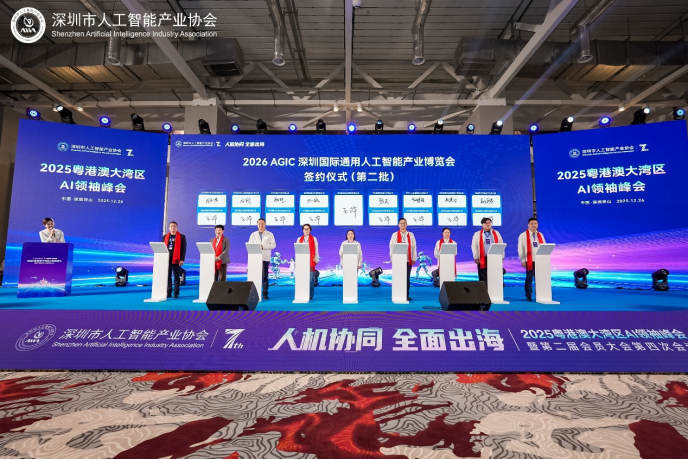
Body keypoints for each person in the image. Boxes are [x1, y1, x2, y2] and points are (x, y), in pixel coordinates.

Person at [518, 217, 547, 301]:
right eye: (532, 224)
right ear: (528, 225)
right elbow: (520, 249)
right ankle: (528, 295)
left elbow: (544, 247)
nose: (534, 225)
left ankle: (540, 294)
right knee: (529, 278)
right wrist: (523, 260)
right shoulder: (523, 235)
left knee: (540, 278)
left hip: (539, 260)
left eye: (535, 224)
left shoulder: (540, 235)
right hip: (529, 261)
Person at [389, 218, 417, 301]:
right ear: (398, 225)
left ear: (406, 224)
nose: (403, 225)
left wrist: (414, 258)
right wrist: (392, 258)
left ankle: (406, 294)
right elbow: (391, 247)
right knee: (398, 277)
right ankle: (398, 293)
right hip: (398, 260)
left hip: (408, 260)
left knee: (406, 278)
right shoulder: (394, 235)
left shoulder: (411, 235)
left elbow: (414, 247)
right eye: (401, 223)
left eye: (404, 223)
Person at [248, 218, 276, 299]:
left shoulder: (270, 234)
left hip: (265, 258)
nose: (261, 225)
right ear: (257, 225)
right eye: (259, 224)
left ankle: (265, 293)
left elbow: (273, 245)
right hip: (255, 258)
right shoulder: (253, 234)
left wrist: (263, 246)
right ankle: (254, 293)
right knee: (255, 276)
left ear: (265, 224)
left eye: (262, 224)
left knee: (264, 276)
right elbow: (250, 245)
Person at [471, 217, 503, 287]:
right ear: (482, 224)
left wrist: (502, 256)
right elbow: (474, 246)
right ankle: (483, 291)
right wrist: (476, 257)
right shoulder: (477, 234)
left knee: (494, 274)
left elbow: (501, 244)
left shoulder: (496, 233)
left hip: (494, 257)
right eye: (486, 223)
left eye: (489, 223)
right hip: (482, 258)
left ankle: (494, 290)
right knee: (483, 276)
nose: (488, 224)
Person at [163, 221, 186, 298]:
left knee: (176, 277)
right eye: (171, 226)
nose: (173, 228)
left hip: (176, 260)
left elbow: (184, 249)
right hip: (167, 260)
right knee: (168, 277)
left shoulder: (182, 237)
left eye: (174, 226)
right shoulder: (165, 237)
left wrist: (182, 259)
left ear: (177, 227)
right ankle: (168, 292)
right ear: (169, 228)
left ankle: (176, 293)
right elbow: (162, 248)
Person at [297, 223, 319, 300]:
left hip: (311, 260)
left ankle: (310, 295)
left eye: (308, 229)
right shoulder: (299, 239)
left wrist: (316, 259)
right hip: (302, 261)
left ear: (310, 230)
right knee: (303, 278)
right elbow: (297, 250)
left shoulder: (314, 239)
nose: (306, 230)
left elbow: (316, 250)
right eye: (305, 229)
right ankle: (303, 293)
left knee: (311, 279)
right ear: (303, 230)